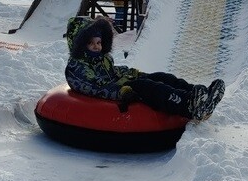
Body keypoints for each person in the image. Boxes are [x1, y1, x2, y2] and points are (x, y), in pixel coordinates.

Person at [64, 16, 224, 121]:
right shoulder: (76, 68)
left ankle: (199, 95)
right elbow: (94, 88)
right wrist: (120, 91)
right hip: (119, 90)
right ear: (79, 44)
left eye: (98, 43)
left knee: (161, 77)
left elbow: (114, 72)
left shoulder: (103, 58)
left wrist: (133, 73)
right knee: (150, 88)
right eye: (91, 43)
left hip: (122, 82)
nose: (96, 47)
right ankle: (189, 105)